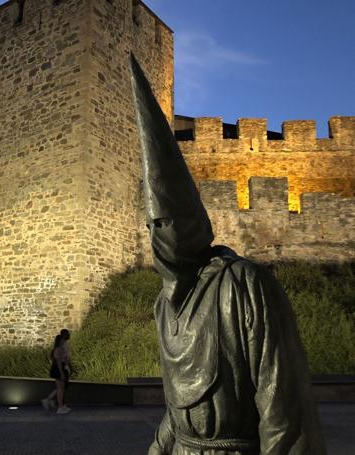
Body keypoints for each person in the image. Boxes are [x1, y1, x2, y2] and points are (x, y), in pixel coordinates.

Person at [129, 54, 325, 454]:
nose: (160, 236)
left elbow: (283, 405)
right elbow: (179, 403)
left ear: (193, 220)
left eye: (168, 222)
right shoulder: (165, 304)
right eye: (153, 226)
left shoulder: (245, 284)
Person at [43, 329, 71, 415]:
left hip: (59, 368)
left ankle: (55, 403)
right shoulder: (59, 349)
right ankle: (60, 407)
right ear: (60, 340)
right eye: (62, 340)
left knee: (61, 388)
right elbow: (59, 362)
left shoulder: (59, 349)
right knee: (60, 389)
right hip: (59, 369)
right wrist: (62, 372)